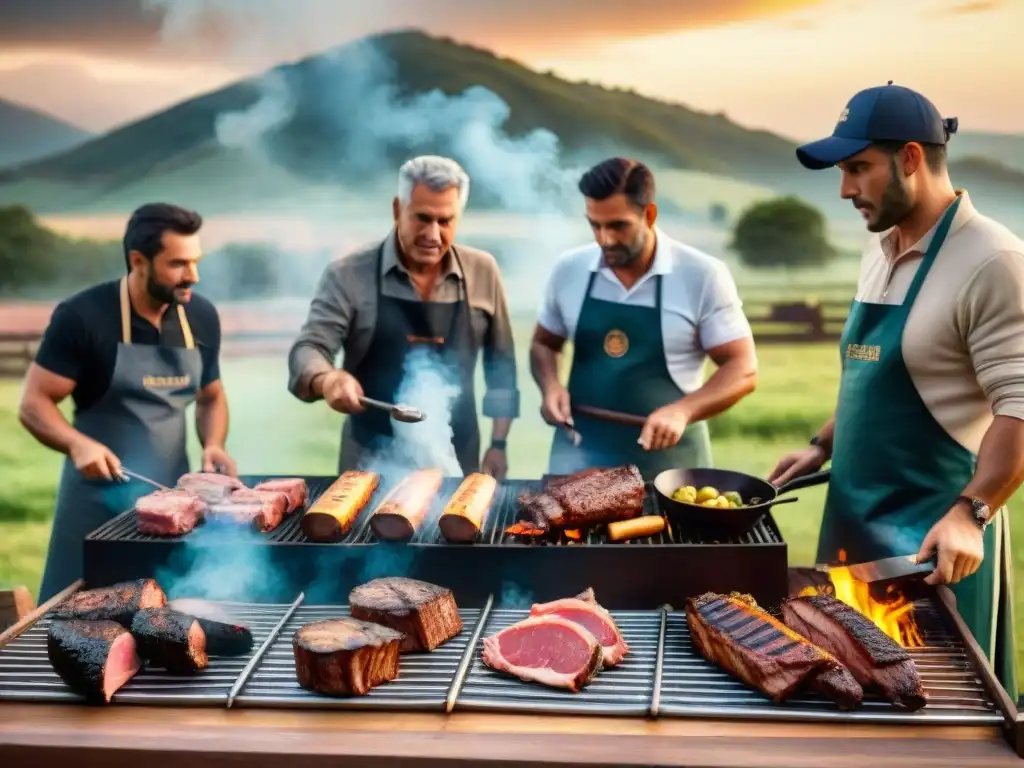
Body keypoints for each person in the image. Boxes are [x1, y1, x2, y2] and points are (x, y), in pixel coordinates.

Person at [769, 82, 1023, 696]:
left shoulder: (993, 262)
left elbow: (1018, 408)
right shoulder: (880, 251)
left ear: (911, 157)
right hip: (851, 528)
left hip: (931, 551)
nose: (845, 188)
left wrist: (974, 512)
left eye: (859, 168)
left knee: (935, 725)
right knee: (847, 709)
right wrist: (822, 443)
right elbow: (874, 374)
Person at [21, 203, 236, 602]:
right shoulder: (83, 317)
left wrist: (213, 444)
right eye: (178, 264)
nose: (193, 276)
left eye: (196, 262)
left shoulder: (200, 316)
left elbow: (211, 397)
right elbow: (35, 402)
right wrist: (76, 443)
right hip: (94, 506)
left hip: (174, 506)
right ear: (138, 260)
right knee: (71, 624)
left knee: (167, 624)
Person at [287, 155, 519, 479]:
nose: (433, 234)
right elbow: (308, 348)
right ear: (398, 209)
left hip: (457, 463)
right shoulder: (348, 274)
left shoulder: (483, 271)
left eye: (446, 221)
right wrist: (328, 379)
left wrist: (498, 444)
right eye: (422, 218)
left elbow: (502, 364)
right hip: (368, 464)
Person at [530, 157, 757, 477]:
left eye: (618, 226)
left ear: (649, 214)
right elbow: (544, 343)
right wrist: (551, 386)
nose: (604, 239)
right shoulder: (569, 270)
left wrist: (682, 411)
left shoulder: (701, 275)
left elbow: (743, 369)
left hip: (669, 471)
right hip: (578, 463)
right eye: (595, 224)